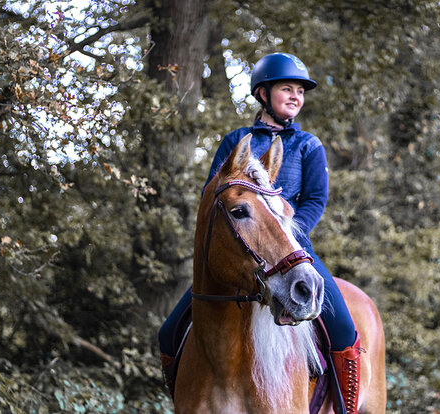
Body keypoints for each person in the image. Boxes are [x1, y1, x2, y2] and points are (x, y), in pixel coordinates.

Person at [158, 53, 361, 414]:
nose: (296, 96)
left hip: (293, 248)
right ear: (263, 94)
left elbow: (315, 200)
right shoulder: (237, 140)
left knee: (344, 330)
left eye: (300, 90)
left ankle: (346, 407)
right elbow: (214, 194)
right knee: (169, 332)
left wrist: (286, 229)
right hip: (240, 249)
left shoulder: (309, 146)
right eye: (287, 88)